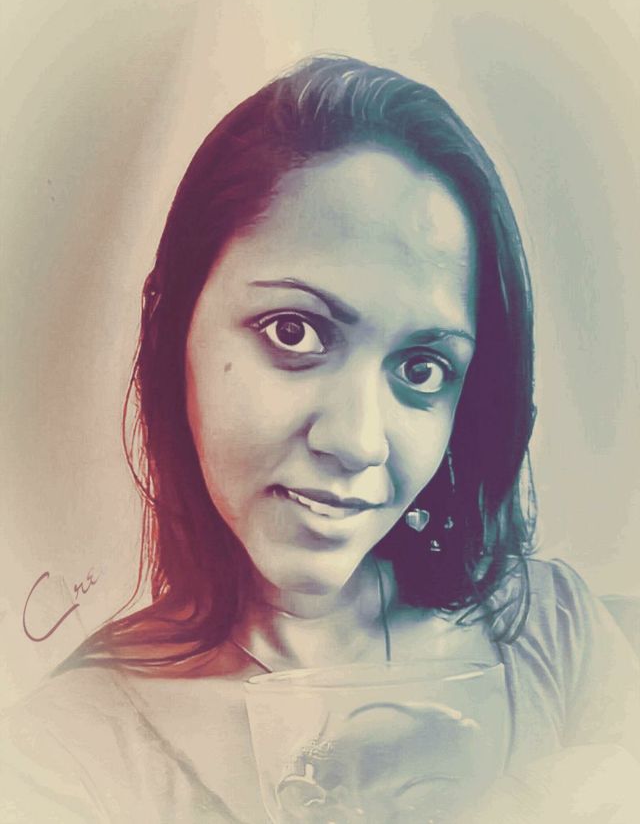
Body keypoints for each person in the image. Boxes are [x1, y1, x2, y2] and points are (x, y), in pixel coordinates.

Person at [1, 54, 638, 823]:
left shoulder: (554, 631)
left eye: (422, 368)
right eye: (295, 331)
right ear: (177, 332)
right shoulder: (61, 757)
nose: (358, 441)